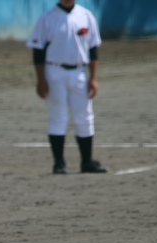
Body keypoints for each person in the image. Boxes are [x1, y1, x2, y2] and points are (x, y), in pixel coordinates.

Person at [27, 0, 108, 174]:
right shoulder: (47, 18)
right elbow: (37, 52)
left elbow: (93, 50)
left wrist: (93, 78)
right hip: (54, 71)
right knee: (58, 117)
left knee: (85, 116)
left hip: (80, 72)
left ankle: (87, 161)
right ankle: (59, 163)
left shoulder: (86, 16)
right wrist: (41, 79)